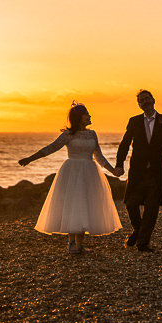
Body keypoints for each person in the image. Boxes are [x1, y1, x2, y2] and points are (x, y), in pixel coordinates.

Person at [18, 103, 122, 254]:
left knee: (85, 204)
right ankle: (71, 242)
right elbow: (51, 148)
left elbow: (98, 156)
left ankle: (79, 244)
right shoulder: (68, 135)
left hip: (89, 171)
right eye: (87, 114)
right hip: (72, 171)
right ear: (79, 117)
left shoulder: (92, 134)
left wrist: (112, 170)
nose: (90, 116)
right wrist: (30, 158)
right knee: (73, 203)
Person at [115, 89, 162, 252]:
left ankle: (143, 242)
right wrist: (119, 163)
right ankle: (138, 229)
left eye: (147, 99)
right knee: (130, 203)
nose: (145, 102)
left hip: (156, 171)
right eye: (142, 100)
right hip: (137, 170)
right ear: (139, 105)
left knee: (152, 207)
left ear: (153, 100)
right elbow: (125, 143)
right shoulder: (134, 121)